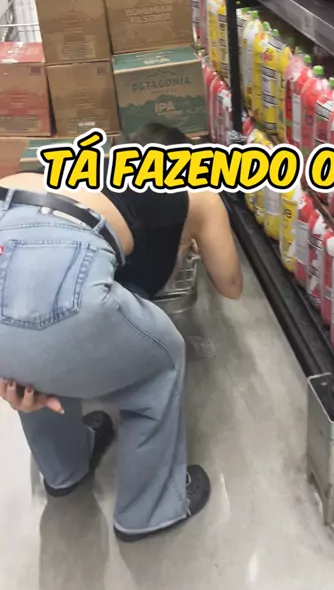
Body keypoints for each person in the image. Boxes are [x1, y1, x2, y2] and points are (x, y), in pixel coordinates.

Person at [0, 122, 242, 541]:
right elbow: (231, 285)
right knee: (162, 359)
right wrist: (196, 234)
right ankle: (150, 509)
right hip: (65, 267)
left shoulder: (73, 170)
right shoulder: (197, 193)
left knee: (31, 357)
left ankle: (64, 468)